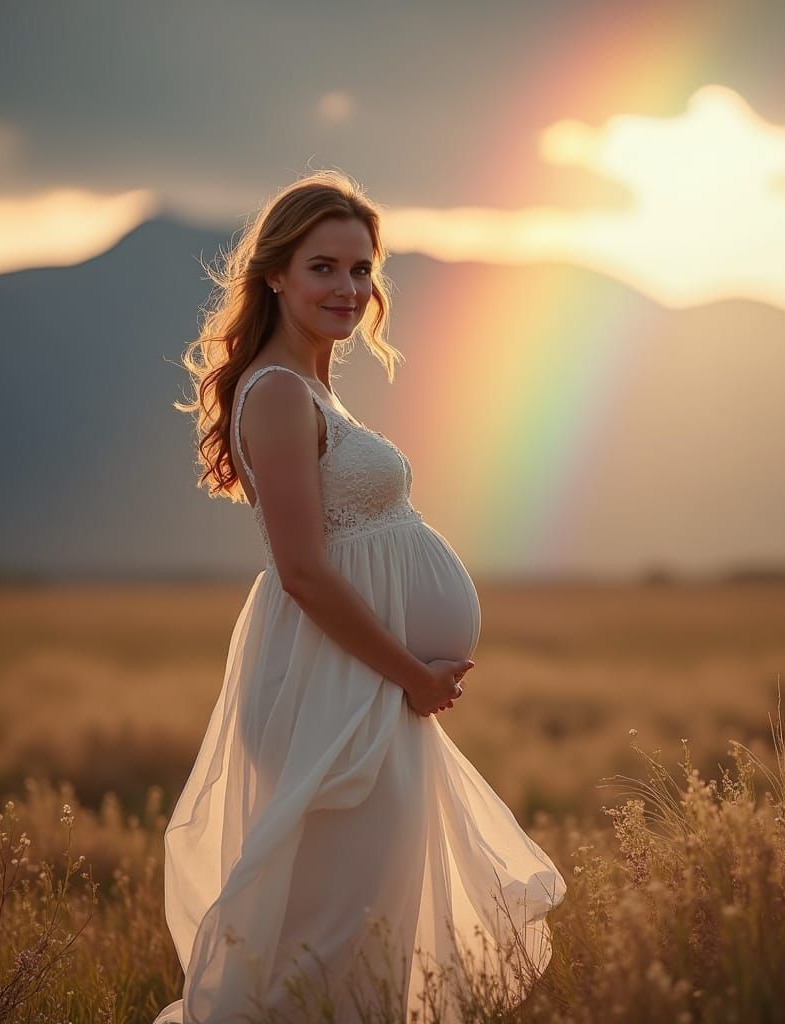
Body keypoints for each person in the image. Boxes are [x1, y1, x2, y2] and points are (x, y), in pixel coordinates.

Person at [153, 170, 565, 1024]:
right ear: (275, 275)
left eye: (361, 269)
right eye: (323, 268)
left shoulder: (314, 390)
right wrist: (411, 673)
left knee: (370, 917)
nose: (349, 288)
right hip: (335, 681)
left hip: (364, 680)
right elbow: (301, 571)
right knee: (338, 928)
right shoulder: (273, 393)